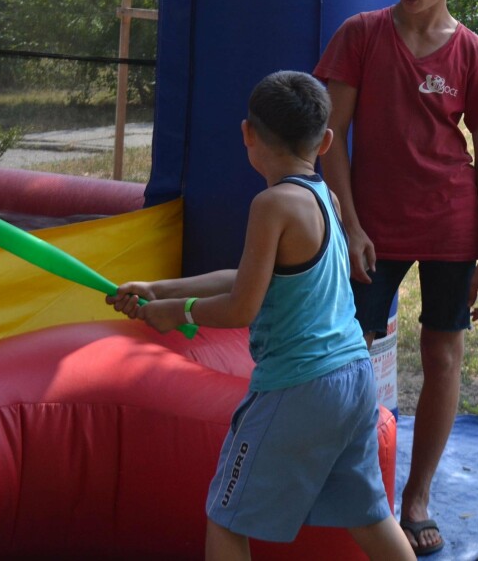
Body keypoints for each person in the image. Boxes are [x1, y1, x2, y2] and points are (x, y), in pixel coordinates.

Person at [107, 72, 415, 561]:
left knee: (227, 517)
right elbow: (249, 277)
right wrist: (159, 289)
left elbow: (242, 306)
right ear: (326, 141)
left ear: (248, 134)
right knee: (371, 516)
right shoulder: (325, 200)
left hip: (299, 387)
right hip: (354, 377)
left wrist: (176, 313)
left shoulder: (271, 205)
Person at [315, 0, 478, 556]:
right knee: (348, 354)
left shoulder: (473, 51)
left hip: (452, 223)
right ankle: (355, 484)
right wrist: (350, 222)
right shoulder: (361, 35)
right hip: (373, 225)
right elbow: (328, 138)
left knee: (442, 355)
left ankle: (416, 497)